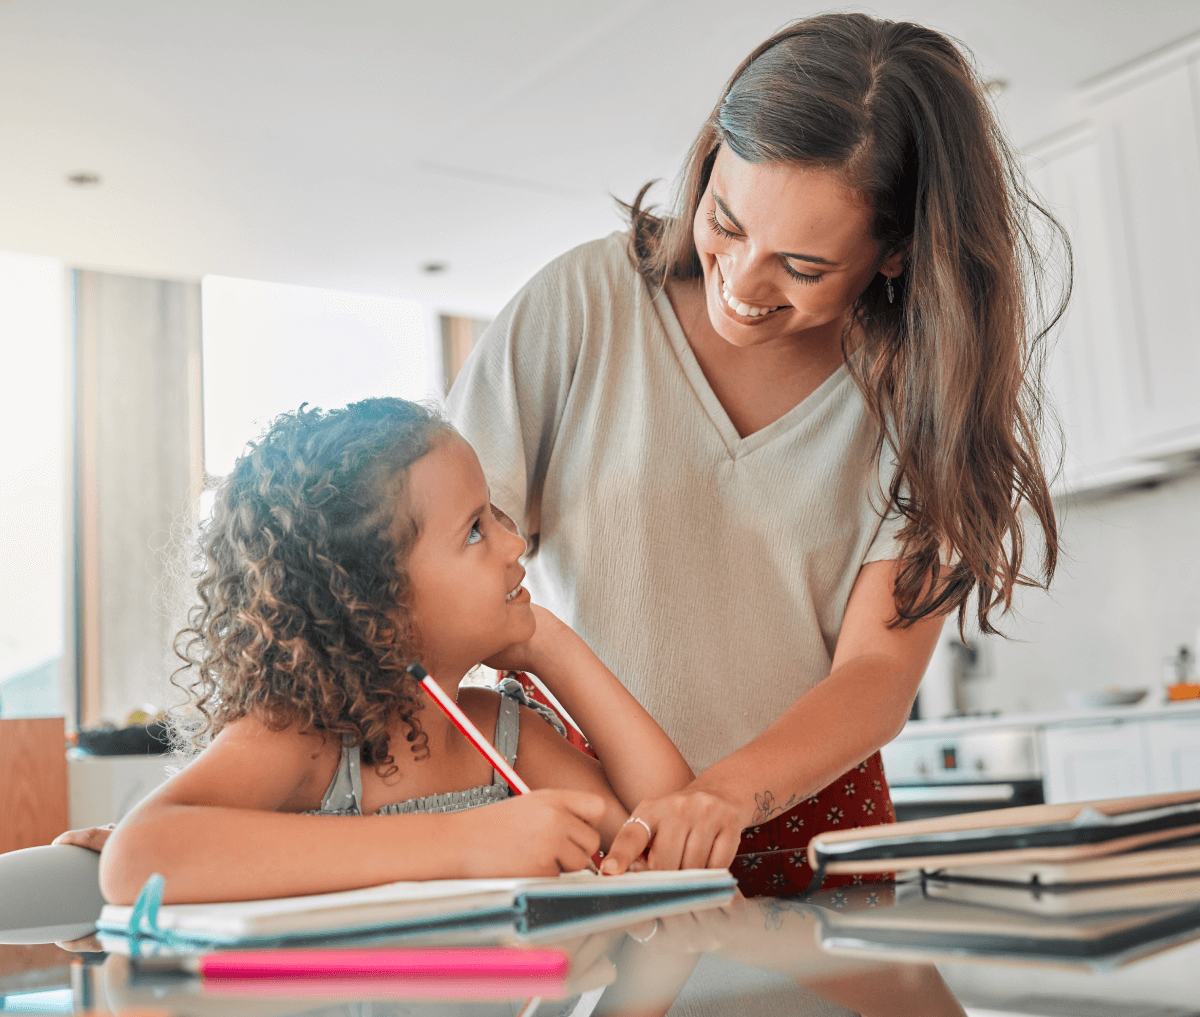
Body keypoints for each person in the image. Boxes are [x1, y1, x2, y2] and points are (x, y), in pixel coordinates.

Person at [447, 12, 1067, 895]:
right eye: (725, 221)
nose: (740, 283)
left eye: (803, 267)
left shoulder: (921, 403)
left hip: (810, 831)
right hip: (585, 815)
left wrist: (725, 795)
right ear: (707, 164)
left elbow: (878, 671)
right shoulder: (584, 305)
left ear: (894, 254)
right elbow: (444, 552)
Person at [97, 397, 696, 905]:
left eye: (496, 516)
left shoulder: (502, 737)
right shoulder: (306, 741)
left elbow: (670, 836)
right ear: (374, 600)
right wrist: (464, 843)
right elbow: (138, 857)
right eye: (475, 531)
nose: (515, 542)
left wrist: (554, 647)